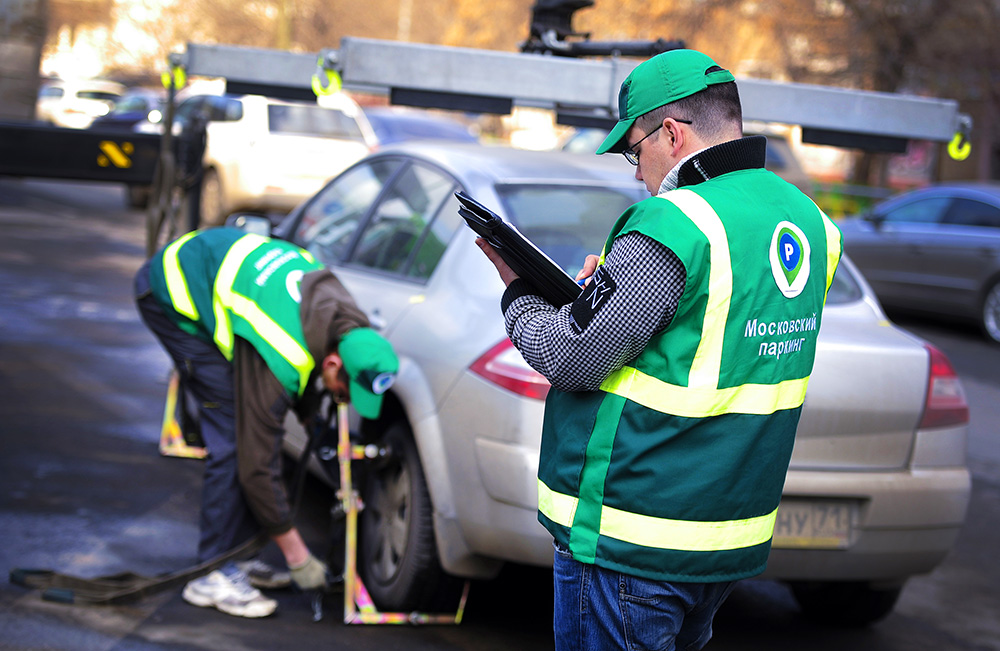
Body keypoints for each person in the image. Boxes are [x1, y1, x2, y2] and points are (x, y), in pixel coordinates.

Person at [476, 49, 842, 650]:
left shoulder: (673, 223)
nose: (634, 170)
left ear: (671, 134)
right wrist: (604, 296)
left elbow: (574, 358)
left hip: (633, 534)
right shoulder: (806, 221)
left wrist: (518, 291)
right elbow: (704, 337)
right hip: (722, 535)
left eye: (632, 149)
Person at [135, 226, 399, 618]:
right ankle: (212, 573)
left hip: (217, 269)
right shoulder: (280, 348)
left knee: (253, 429)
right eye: (345, 390)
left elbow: (309, 376)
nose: (345, 401)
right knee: (235, 439)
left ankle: (236, 556)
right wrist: (297, 556)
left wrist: (315, 424)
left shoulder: (346, 319)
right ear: (333, 362)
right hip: (172, 291)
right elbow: (257, 468)